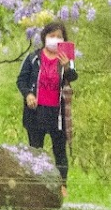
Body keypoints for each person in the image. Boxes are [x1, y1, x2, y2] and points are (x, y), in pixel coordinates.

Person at [17, 21, 78, 193]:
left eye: (59, 37)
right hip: (36, 111)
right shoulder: (33, 58)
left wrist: (66, 65)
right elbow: (21, 80)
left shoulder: (66, 58)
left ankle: (62, 186)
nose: (55, 39)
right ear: (44, 37)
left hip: (57, 112)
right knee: (35, 149)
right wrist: (29, 94)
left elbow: (73, 77)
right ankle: (35, 185)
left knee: (60, 150)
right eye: (52, 36)